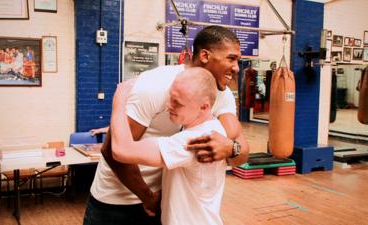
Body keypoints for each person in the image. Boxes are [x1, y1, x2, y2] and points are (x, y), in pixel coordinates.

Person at [84, 25, 249, 225]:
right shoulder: (155, 85)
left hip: (163, 200)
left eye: (237, 61)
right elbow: (112, 150)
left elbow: (241, 151)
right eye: (231, 58)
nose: (236, 68)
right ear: (205, 55)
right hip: (117, 201)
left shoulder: (221, 95)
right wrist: (148, 197)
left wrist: (232, 148)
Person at [112, 68, 228, 225]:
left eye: (177, 103)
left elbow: (122, 150)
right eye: (170, 97)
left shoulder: (193, 141)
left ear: (204, 107)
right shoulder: (213, 128)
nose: (168, 105)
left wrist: (119, 100)